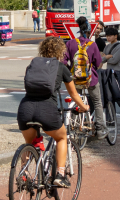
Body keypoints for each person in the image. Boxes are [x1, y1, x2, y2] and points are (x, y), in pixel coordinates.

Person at [17, 37, 89, 188]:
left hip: (25, 108)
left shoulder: (33, 64)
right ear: (61, 51)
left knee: (29, 142)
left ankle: (23, 173)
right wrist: (84, 107)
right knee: (61, 138)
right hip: (47, 110)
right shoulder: (61, 67)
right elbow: (74, 94)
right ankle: (60, 175)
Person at [63, 16, 106, 139]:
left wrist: (71, 70)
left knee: (77, 100)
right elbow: (97, 63)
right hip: (90, 80)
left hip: (75, 79)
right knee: (97, 102)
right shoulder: (92, 45)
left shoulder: (70, 43)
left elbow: (64, 61)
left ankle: (75, 125)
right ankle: (99, 129)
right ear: (88, 31)